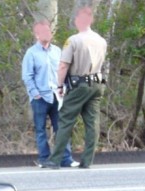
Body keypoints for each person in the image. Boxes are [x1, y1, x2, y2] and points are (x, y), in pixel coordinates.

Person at [45, 7, 107, 169]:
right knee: (92, 122)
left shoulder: (73, 40)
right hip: (97, 84)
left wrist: (59, 85)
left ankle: (55, 159)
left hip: (79, 85)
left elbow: (64, 65)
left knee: (65, 119)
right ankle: (87, 160)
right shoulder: (101, 40)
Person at [21, 19, 79, 168]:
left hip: (57, 96)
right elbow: (27, 75)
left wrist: (64, 88)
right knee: (41, 130)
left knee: (61, 128)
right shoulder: (31, 53)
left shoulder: (57, 51)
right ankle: (44, 159)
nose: (48, 34)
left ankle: (66, 158)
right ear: (37, 35)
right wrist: (35, 93)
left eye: (49, 31)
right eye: (44, 31)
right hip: (40, 97)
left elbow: (64, 71)